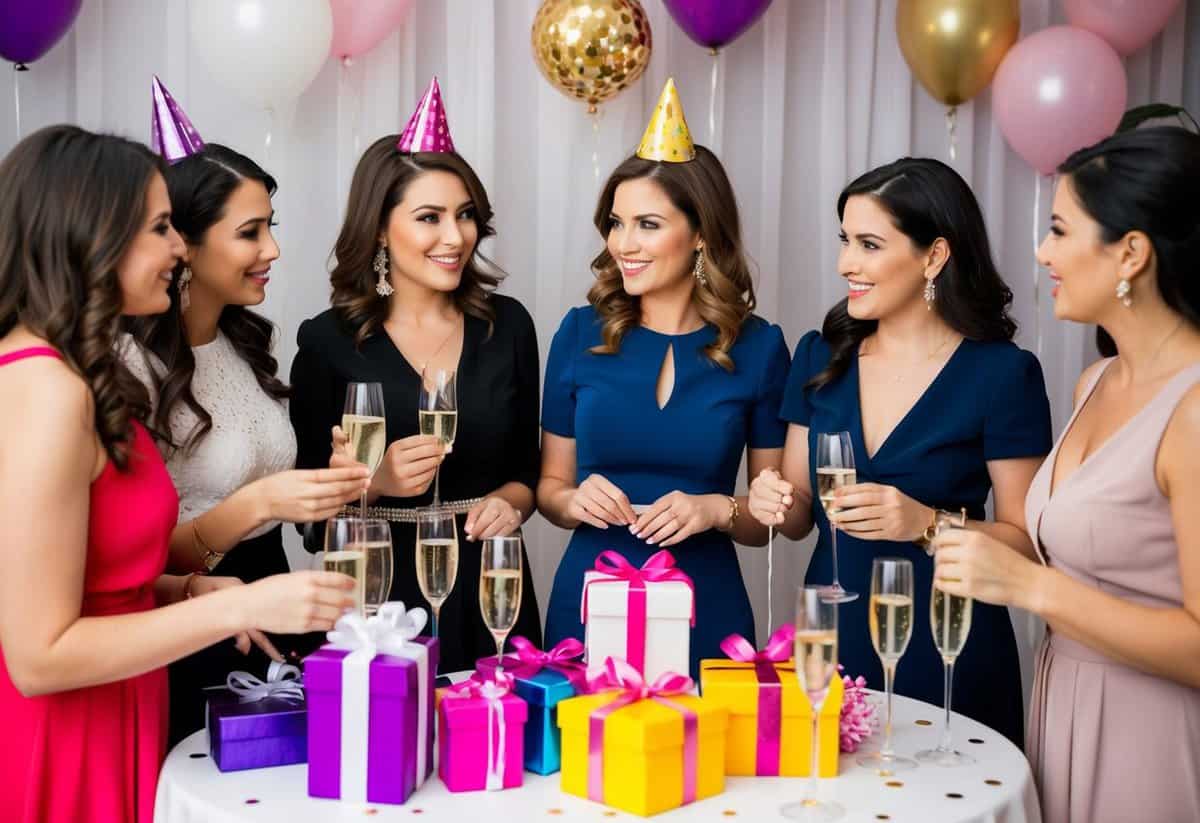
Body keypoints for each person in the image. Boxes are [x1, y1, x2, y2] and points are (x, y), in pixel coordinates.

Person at [0, 126, 356, 823]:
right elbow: (37, 655)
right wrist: (235, 607)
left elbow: (86, 575)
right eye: (162, 227)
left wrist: (187, 586)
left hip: (121, 705)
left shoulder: (72, 373)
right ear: (92, 232)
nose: (176, 247)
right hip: (66, 735)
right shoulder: (47, 386)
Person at [933, 127, 1200, 822]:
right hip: (1061, 705)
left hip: (1154, 734)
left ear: (1132, 253)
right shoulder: (1094, 381)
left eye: (1058, 230)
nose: (1042, 251)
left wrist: (1028, 585)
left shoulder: (1197, 408)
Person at [749, 157, 1051, 746]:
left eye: (868, 244)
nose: (846, 264)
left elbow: (1029, 542)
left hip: (949, 641)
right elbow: (797, 513)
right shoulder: (820, 356)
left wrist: (925, 524)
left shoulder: (1003, 374)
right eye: (844, 241)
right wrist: (769, 498)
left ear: (934, 255)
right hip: (831, 633)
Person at [122, 132, 368, 743]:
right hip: (193, 620)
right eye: (250, 232)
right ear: (185, 241)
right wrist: (261, 503)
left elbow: (265, 482)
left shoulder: (241, 344)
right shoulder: (129, 365)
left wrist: (327, 482)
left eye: (271, 226)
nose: (273, 249)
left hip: (274, 599)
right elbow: (135, 557)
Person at [538, 79, 790, 675]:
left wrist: (714, 510)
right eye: (616, 223)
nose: (623, 243)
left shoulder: (759, 348)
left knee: (708, 769)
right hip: (588, 603)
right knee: (585, 765)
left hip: (709, 608)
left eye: (647, 224)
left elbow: (781, 518)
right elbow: (548, 489)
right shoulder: (578, 333)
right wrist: (573, 499)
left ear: (700, 232)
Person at [290, 78, 542, 672]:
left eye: (465, 216)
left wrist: (510, 504)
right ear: (380, 227)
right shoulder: (327, 342)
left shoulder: (507, 327)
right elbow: (303, 512)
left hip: (490, 587)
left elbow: (526, 475)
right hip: (375, 590)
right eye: (429, 217)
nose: (455, 237)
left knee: (498, 759)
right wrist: (371, 484)